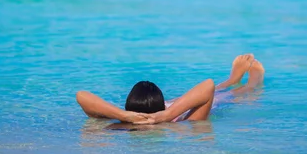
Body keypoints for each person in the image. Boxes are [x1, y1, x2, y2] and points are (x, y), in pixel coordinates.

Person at [76, 54, 264, 125]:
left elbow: (81, 95)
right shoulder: (179, 122)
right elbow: (207, 87)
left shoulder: (176, 119)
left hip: (171, 108)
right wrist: (125, 116)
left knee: (235, 93)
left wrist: (166, 116)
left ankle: (244, 80)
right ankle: (234, 79)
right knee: (224, 93)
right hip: (172, 106)